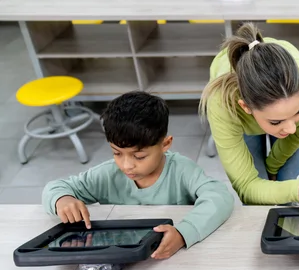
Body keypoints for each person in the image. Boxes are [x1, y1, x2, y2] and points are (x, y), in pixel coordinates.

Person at [42, 91, 235, 259]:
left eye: (139, 156)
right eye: (117, 153)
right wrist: (62, 199)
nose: (126, 165)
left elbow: (219, 197)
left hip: (171, 257)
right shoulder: (107, 174)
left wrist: (184, 233)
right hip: (121, 258)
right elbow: (55, 187)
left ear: (165, 144)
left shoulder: (182, 170)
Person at [200, 22, 299, 217]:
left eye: (298, 111)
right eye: (276, 122)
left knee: (290, 185)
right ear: (246, 107)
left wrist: (275, 169)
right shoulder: (222, 104)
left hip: (278, 93)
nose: (291, 129)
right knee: (257, 206)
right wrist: (297, 188)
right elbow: (247, 187)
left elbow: (295, 136)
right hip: (239, 116)